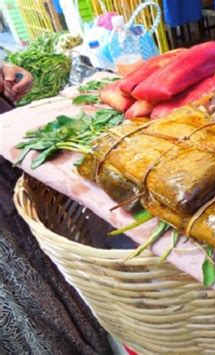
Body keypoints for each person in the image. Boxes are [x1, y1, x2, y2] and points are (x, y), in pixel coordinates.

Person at [0, 63, 112, 354]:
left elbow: (7, 70)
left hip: (11, 159)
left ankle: (97, 337)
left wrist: (7, 73)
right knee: (31, 298)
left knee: (57, 250)